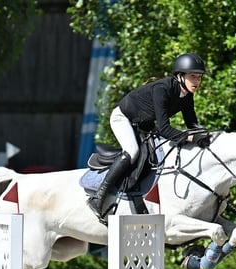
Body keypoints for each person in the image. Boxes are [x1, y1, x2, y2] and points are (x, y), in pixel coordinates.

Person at [88, 53, 213, 219]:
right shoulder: (162, 89)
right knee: (132, 151)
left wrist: (206, 136)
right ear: (180, 76)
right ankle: (99, 197)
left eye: (199, 77)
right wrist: (191, 138)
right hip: (123, 118)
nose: (197, 81)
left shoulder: (187, 95)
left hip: (144, 124)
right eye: (193, 77)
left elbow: (193, 125)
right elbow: (164, 129)